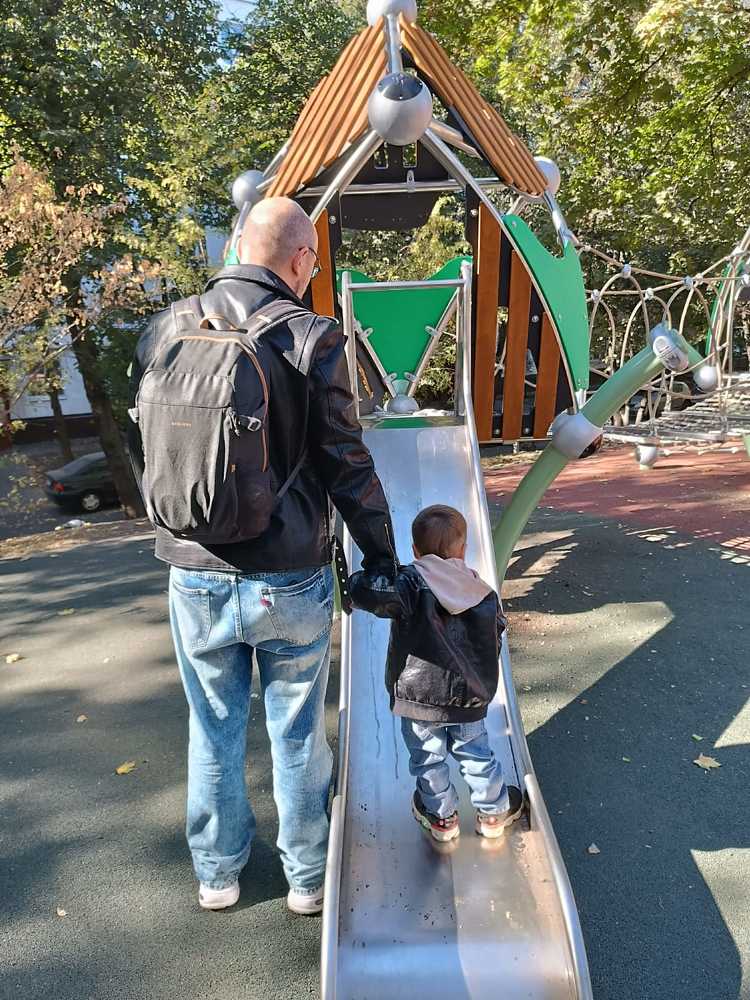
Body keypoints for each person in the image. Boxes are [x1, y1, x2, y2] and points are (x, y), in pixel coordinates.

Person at [128, 197, 397, 913]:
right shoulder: (313, 337)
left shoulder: (168, 327)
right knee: (297, 732)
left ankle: (218, 874)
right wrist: (382, 556)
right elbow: (347, 463)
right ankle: (308, 879)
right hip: (290, 574)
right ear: (301, 259)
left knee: (212, 727)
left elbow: (145, 443)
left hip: (194, 568)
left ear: (238, 247)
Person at [349, 504, 523, 842]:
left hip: (419, 698)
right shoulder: (482, 591)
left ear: (415, 550)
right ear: (463, 549)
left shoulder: (408, 585)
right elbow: (496, 634)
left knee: (427, 759)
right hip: (469, 696)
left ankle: (442, 817)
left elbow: (372, 592)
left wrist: (357, 582)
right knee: (476, 754)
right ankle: (493, 812)